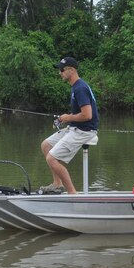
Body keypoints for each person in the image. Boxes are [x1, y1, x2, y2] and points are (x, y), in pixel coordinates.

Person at [40, 56, 98, 194]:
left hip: (85, 131)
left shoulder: (80, 88)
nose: (59, 73)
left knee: (51, 159)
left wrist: (68, 117)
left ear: (71, 70)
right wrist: (64, 119)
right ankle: (57, 184)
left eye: (62, 70)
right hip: (75, 127)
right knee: (46, 145)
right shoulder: (76, 87)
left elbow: (88, 115)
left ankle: (73, 194)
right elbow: (80, 113)